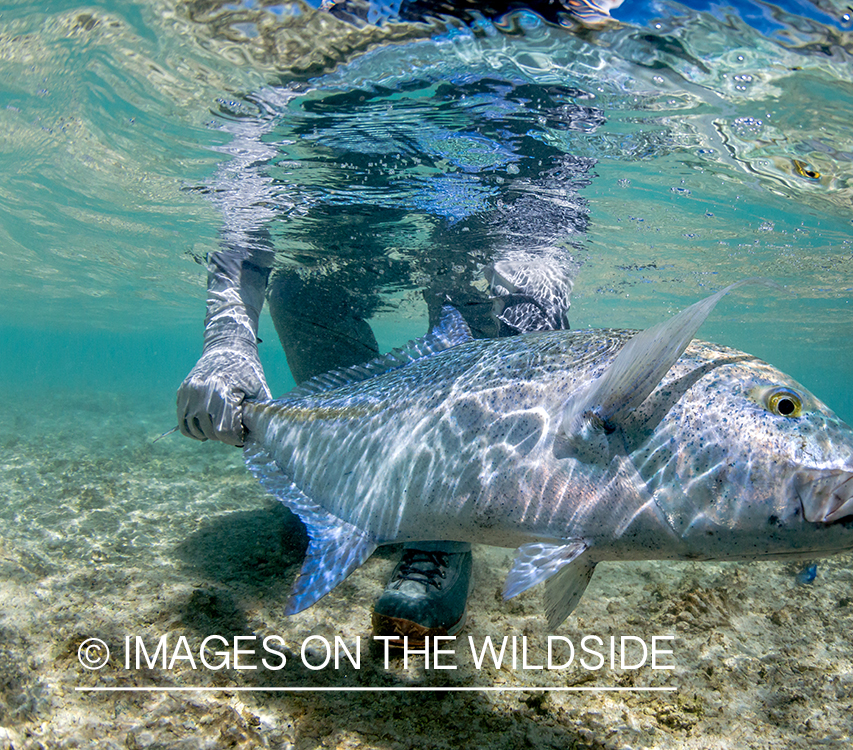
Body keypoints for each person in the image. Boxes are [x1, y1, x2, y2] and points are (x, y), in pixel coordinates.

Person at [177, 0, 605, 644]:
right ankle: (358, 485)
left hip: (507, 150)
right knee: (304, 288)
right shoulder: (307, 23)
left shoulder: (555, 20)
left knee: (509, 297)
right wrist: (228, 340)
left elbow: (589, 51)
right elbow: (247, 195)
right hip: (349, 156)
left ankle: (443, 534)